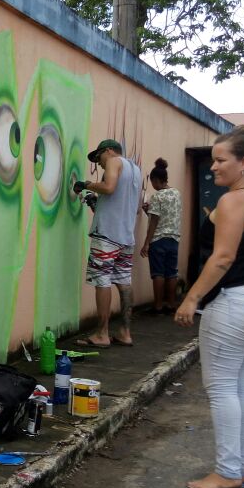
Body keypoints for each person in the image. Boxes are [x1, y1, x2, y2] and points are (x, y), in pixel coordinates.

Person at [174, 125, 244, 488]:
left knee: (222, 388)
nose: (213, 167)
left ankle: (227, 471)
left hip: (237, 303)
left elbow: (223, 257)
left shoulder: (234, 200)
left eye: (221, 160)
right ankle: (241, 468)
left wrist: (191, 297)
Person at [73, 139, 142, 347]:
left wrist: (86, 185)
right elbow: (133, 206)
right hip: (126, 237)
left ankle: (102, 334)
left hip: (106, 237)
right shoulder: (135, 170)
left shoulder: (114, 161)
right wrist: (97, 202)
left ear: (109, 151)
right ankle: (125, 333)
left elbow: (109, 187)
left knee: (101, 281)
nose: (100, 164)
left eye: (99, 157)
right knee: (124, 282)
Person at [140, 158, 182, 313]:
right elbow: (167, 215)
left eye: (152, 182)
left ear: (156, 180)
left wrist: (146, 243)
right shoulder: (176, 193)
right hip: (174, 239)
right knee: (171, 273)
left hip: (158, 240)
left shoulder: (157, 196)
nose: (153, 185)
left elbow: (154, 222)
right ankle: (171, 305)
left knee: (158, 273)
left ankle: (157, 306)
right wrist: (149, 211)